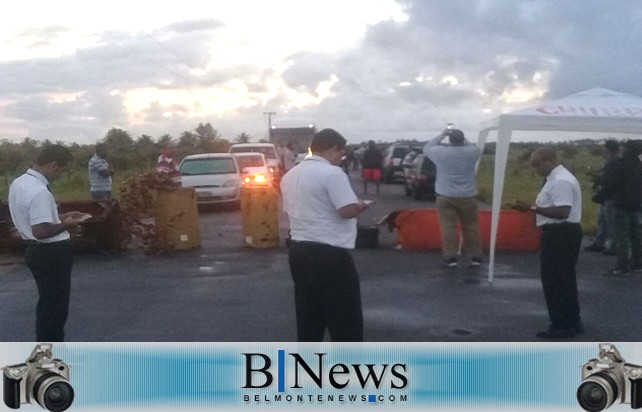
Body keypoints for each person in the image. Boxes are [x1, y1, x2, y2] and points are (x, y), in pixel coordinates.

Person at [280, 128, 370, 342]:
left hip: (299, 252)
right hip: (330, 255)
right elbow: (346, 210)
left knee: (309, 318)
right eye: (341, 153)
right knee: (345, 321)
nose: (342, 158)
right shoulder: (332, 174)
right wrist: (361, 206)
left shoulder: (290, 175)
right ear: (332, 149)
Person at [8, 144, 86, 341]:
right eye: (62, 170)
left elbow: (35, 219)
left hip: (34, 252)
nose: (60, 175)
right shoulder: (40, 192)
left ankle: (46, 354)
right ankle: (50, 358)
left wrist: (61, 216)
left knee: (47, 305)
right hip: (51, 254)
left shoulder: (20, 183)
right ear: (54, 165)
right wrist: (67, 224)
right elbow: (41, 231)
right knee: (55, 310)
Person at [515, 147, 583, 339]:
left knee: (555, 281)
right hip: (563, 233)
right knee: (565, 280)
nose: (536, 169)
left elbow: (563, 211)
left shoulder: (561, 181)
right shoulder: (557, 178)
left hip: (560, 233)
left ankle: (561, 325)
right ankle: (572, 322)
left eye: (537, 164)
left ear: (549, 159)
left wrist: (532, 208)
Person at [423, 128, 483, 266]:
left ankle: (450, 257)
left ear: (450, 140)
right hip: (468, 194)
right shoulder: (472, 152)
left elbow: (428, 146)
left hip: (445, 194)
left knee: (448, 227)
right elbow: (471, 146)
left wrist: (443, 134)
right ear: (463, 139)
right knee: (471, 227)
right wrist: (462, 137)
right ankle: (475, 256)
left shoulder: (441, 152)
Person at [600, 140, 642, 276]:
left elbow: (610, 182)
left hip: (621, 204)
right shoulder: (639, 165)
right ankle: (637, 262)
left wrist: (601, 191)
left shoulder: (622, 165)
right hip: (636, 204)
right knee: (636, 235)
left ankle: (622, 265)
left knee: (622, 236)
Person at [585, 139, 620, 253]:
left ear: (607, 149)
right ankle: (601, 242)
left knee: (610, 221)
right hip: (606, 195)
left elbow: (609, 179)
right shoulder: (613, 160)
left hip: (610, 195)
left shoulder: (614, 161)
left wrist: (598, 179)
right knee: (604, 220)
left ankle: (611, 245)